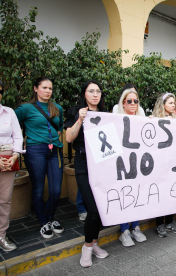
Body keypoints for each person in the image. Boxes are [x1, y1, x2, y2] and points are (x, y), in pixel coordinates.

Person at [65, 80, 109, 267]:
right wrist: (80, 119)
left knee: (100, 209)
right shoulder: (76, 112)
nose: (95, 94)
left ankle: (94, 243)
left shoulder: (106, 115)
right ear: (84, 94)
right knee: (92, 209)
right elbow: (68, 137)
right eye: (91, 91)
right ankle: (87, 247)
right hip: (83, 163)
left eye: (98, 91)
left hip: (103, 164)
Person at [15, 77, 65, 239]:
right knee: (38, 188)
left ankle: (51, 218)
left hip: (54, 150)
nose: (48, 91)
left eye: (50, 88)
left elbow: (60, 127)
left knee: (56, 190)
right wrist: (21, 140)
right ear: (36, 89)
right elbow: (11, 125)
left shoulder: (57, 108)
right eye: (44, 88)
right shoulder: (26, 108)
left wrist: (54, 139)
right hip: (35, 149)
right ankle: (43, 222)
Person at [0, 77, 23, 259]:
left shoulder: (9, 112)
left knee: (4, 199)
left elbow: (18, 136)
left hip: (8, 157)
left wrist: (15, 155)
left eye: (0, 91)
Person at [115, 87, 147, 246]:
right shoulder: (115, 120)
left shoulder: (144, 119)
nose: (133, 103)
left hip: (139, 165)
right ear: (123, 103)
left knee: (137, 195)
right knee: (124, 196)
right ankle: (124, 231)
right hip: (123, 166)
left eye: (136, 101)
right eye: (129, 101)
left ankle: (135, 227)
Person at [152, 93, 176, 237]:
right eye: (170, 103)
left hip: (174, 162)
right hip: (160, 164)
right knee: (161, 194)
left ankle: (169, 222)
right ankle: (159, 224)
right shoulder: (155, 120)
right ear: (163, 104)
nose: (173, 105)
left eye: (174, 102)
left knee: (172, 193)